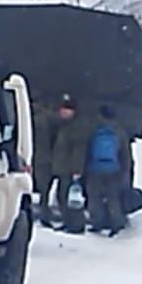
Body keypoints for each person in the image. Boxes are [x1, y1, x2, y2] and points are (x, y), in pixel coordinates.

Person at [85, 104, 133, 237]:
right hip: (113, 169)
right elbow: (125, 154)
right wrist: (124, 172)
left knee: (94, 197)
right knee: (113, 198)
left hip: (96, 168)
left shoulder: (94, 129)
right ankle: (116, 224)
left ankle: (97, 223)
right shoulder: (119, 131)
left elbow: (87, 150)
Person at [48, 94, 90, 234]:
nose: (63, 112)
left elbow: (79, 150)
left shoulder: (76, 128)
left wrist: (77, 169)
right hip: (62, 167)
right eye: (62, 109)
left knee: (69, 198)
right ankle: (69, 223)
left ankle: (75, 225)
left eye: (67, 109)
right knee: (63, 197)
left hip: (70, 169)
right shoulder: (63, 126)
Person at [31, 100, 61, 227]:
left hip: (30, 155)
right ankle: (44, 215)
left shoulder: (27, 115)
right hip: (44, 157)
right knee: (44, 190)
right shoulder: (47, 117)